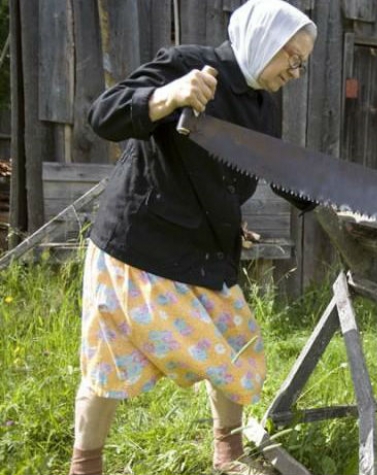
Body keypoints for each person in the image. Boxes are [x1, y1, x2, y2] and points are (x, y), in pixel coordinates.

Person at [69, 1, 316, 474]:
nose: (297, 71)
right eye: (293, 56)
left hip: (204, 251)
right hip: (137, 248)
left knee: (238, 346)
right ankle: (85, 465)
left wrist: (331, 201)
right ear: (265, 38)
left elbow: (272, 166)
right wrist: (169, 95)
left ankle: (229, 456)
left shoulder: (263, 103)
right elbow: (102, 116)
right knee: (106, 367)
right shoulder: (187, 64)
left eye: (301, 62)